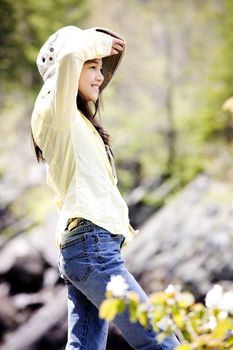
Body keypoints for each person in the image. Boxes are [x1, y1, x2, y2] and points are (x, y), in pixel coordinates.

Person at [31, 25, 179, 350]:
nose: (100, 76)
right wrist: (99, 42)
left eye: (101, 68)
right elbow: (70, 54)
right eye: (92, 66)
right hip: (90, 247)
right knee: (162, 341)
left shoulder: (75, 121)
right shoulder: (54, 111)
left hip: (88, 248)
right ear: (68, 71)